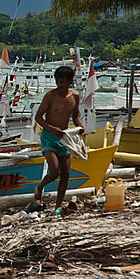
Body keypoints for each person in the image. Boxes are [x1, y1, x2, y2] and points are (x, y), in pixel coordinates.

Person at [27, 66, 83, 214]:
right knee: (54, 171)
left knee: (66, 173)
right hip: (49, 137)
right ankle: (39, 188)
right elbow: (38, 117)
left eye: (63, 82)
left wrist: (80, 126)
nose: (60, 85)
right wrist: (52, 129)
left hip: (64, 138)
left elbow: (75, 115)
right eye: (58, 81)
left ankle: (58, 207)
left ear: (70, 81)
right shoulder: (50, 96)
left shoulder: (75, 96)